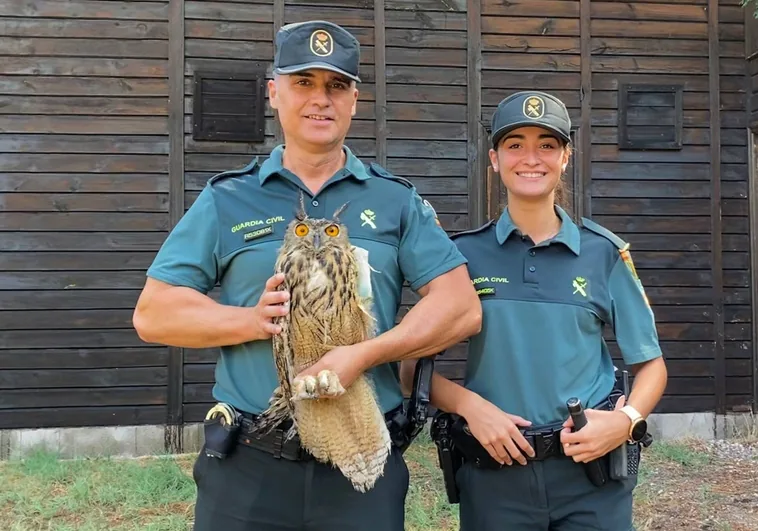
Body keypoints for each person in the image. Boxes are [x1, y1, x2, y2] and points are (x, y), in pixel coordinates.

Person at [132, 20, 481, 531]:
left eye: (336, 86)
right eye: (304, 83)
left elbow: (461, 307)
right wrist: (252, 322)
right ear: (274, 92)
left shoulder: (394, 200)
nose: (321, 99)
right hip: (250, 463)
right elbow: (154, 314)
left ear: (355, 99)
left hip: (361, 457)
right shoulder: (228, 198)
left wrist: (364, 354)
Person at [412, 91, 668, 530]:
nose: (531, 158)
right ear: (494, 158)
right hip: (495, 475)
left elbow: (652, 366)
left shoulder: (604, 253)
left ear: (565, 157)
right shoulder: (460, 256)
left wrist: (625, 422)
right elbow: (409, 367)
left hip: (591, 476)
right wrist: (470, 405)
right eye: (515, 144)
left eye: (547, 145)